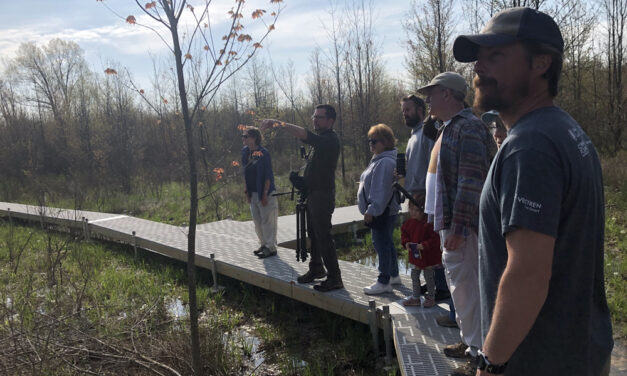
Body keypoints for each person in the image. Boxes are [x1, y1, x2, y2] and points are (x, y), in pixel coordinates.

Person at [453, 7, 613, 375]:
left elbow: (528, 273)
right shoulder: (564, 129)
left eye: (495, 55)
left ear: (541, 63)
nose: (478, 67)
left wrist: (490, 363)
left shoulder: (530, 146)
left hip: (540, 358)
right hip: (579, 348)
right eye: (478, 58)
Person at [418, 71, 492, 376]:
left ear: (447, 94)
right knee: (461, 287)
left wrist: (460, 228)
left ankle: (479, 354)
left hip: (467, 228)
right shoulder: (447, 127)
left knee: (471, 288)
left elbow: (471, 181)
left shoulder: (470, 129)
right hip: (451, 223)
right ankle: (470, 341)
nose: (428, 99)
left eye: (431, 93)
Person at [260, 105, 343, 292]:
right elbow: (317, 170)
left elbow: (304, 134)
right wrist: (301, 182)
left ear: (330, 121)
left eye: (319, 117)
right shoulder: (320, 142)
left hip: (323, 195)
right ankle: (316, 268)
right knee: (313, 234)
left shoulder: (329, 140)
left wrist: (277, 123)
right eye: (314, 116)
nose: (315, 120)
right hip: (313, 193)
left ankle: (335, 277)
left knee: (324, 236)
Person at [401, 95, 451, 302]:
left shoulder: (428, 134)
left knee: (433, 240)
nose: (405, 113)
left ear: (421, 109)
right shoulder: (413, 136)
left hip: (426, 197)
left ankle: (442, 286)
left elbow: (436, 164)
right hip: (414, 196)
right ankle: (430, 281)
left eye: (409, 109)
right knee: (418, 241)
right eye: (403, 110)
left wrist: (426, 194)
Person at [357, 124, 401, 295]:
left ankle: (384, 281)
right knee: (387, 242)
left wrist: (372, 210)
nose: (371, 144)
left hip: (382, 212)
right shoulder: (379, 159)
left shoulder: (384, 162)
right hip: (385, 211)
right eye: (369, 141)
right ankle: (394, 275)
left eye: (374, 141)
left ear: (386, 142)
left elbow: (381, 189)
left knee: (381, 244)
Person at [241, 126, 278, 258]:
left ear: (254, 138)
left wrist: (264, 194)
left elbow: (268, 175)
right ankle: (263, 244)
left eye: (246, 136)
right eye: (243, 136)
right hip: (253, 192)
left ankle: (271, 247)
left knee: (268, 220)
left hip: (265, 192)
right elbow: (245, 172)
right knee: (257, 220)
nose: (243, 139)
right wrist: (247, 191)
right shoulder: (245, 152)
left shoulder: (264, 153)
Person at [401, 191, 441, 307]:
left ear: (424, 210)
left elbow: (435, 238)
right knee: (414, 276)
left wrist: (424, 245)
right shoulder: (408, 223)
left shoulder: (428, 223)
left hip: (428, 257)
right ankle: (415, 297)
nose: (413, 212)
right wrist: (406, 243)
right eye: (411, 209)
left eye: (417, 210)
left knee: (428, 277)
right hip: (415, 256)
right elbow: (404, 235)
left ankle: (431, 297)